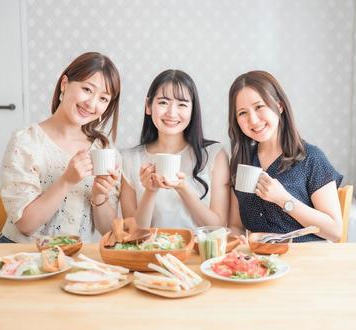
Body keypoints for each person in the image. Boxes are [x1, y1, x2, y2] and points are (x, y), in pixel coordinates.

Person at [0, 52, 121, 243]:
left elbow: (107, 231)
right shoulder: (26, 141)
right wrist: (66, 181)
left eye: (103, 98)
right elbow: (26, 225)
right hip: (22, 257)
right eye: (87, 89)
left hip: (74, 260)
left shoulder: (104, 149)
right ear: (64, 84)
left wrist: (99, 195)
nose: (92, 103)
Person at [228, 71, 343, 242]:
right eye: (242, 113)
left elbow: (335, 231)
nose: (253, 119)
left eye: (259, 107)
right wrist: (239, 238)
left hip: (306, 261)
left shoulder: (311, 158)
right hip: (258, 264)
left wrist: (283, 199)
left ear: (279, 106)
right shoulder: (242, 162)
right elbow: (236, 225)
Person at [120, 69, 230, 231]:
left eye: (182, 104)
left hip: (200, 255)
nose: (172, 113)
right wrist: (150, 192)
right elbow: (134, 233)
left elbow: (217, 227)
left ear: (193, 111)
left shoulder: (214, 154)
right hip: (150, 254)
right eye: (163, 102)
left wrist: (182, 187)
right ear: (148, 106)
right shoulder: (130, 159)